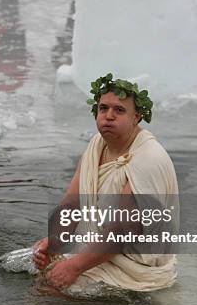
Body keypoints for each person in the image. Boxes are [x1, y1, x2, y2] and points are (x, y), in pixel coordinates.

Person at [33, 73, 179, 293]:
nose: (109, 116)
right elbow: (72, 206)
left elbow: (123, 229)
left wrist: (74, 266)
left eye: (119, 110)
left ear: (136, 117)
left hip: (134, 270)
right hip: (99, 252)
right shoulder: (97, 145)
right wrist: (54, 243)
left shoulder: (148, 158)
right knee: (42, 286)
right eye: (103, 108)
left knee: (47, 297)